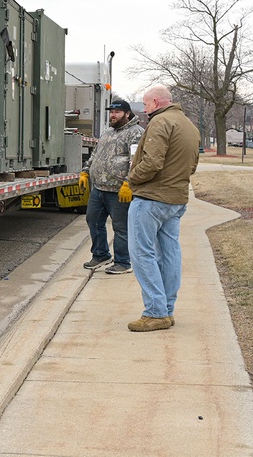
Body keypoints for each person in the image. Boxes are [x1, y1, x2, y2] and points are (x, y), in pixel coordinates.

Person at [126, 86, 200, 332]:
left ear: (155, 102)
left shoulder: (160, 123)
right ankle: (166, 310)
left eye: (145, 105)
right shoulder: (189, 126)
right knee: (170, 252)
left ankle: (156, 312)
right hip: (176, 199)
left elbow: (152, 162)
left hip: (151, 198)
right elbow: (192, 166)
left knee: (142, 254)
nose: (144, 110)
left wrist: (131, 179)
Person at [79, 98, 144, 274]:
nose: (112, 115)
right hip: (99, 188)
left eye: (116, 112)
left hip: (119, 190)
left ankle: (123, 262)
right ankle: (100, 255)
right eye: (111, 112)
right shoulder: (107, 132)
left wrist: (128, 183)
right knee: (93, 220)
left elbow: (136, 161)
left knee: (120, 227)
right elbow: (95, 155)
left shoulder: (136, 133)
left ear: (127, 114)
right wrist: (86, 171)